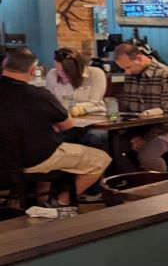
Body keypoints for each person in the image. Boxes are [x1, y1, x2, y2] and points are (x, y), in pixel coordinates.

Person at [0, 48, 110, 205]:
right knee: (100, 159)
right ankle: (59, 202)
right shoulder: (37, 95)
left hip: (4, 161)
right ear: (32, 71)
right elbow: (67, 125)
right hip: (33, 159)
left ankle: (37, 200)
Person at [114, 42, 168, 172]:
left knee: (147, 156)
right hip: (139, 129)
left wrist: (145, 139)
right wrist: (133, 136)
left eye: (128, 67)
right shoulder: (131, 77)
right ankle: (134, 186)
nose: (127, 72)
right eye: (123, 69)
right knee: (112, 150)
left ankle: (162, 187)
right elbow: (128, 110)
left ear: (139, 58)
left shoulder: (166, 75)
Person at [46, 48, 106, 113]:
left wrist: (71, 108)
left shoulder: (95, 74)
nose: (62, 74)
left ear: (77, 68)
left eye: (66, 71)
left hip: (93, 116)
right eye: (58, 70)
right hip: (64, 118)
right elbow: (50, 102)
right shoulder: (52, 74)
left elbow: (95, 103)